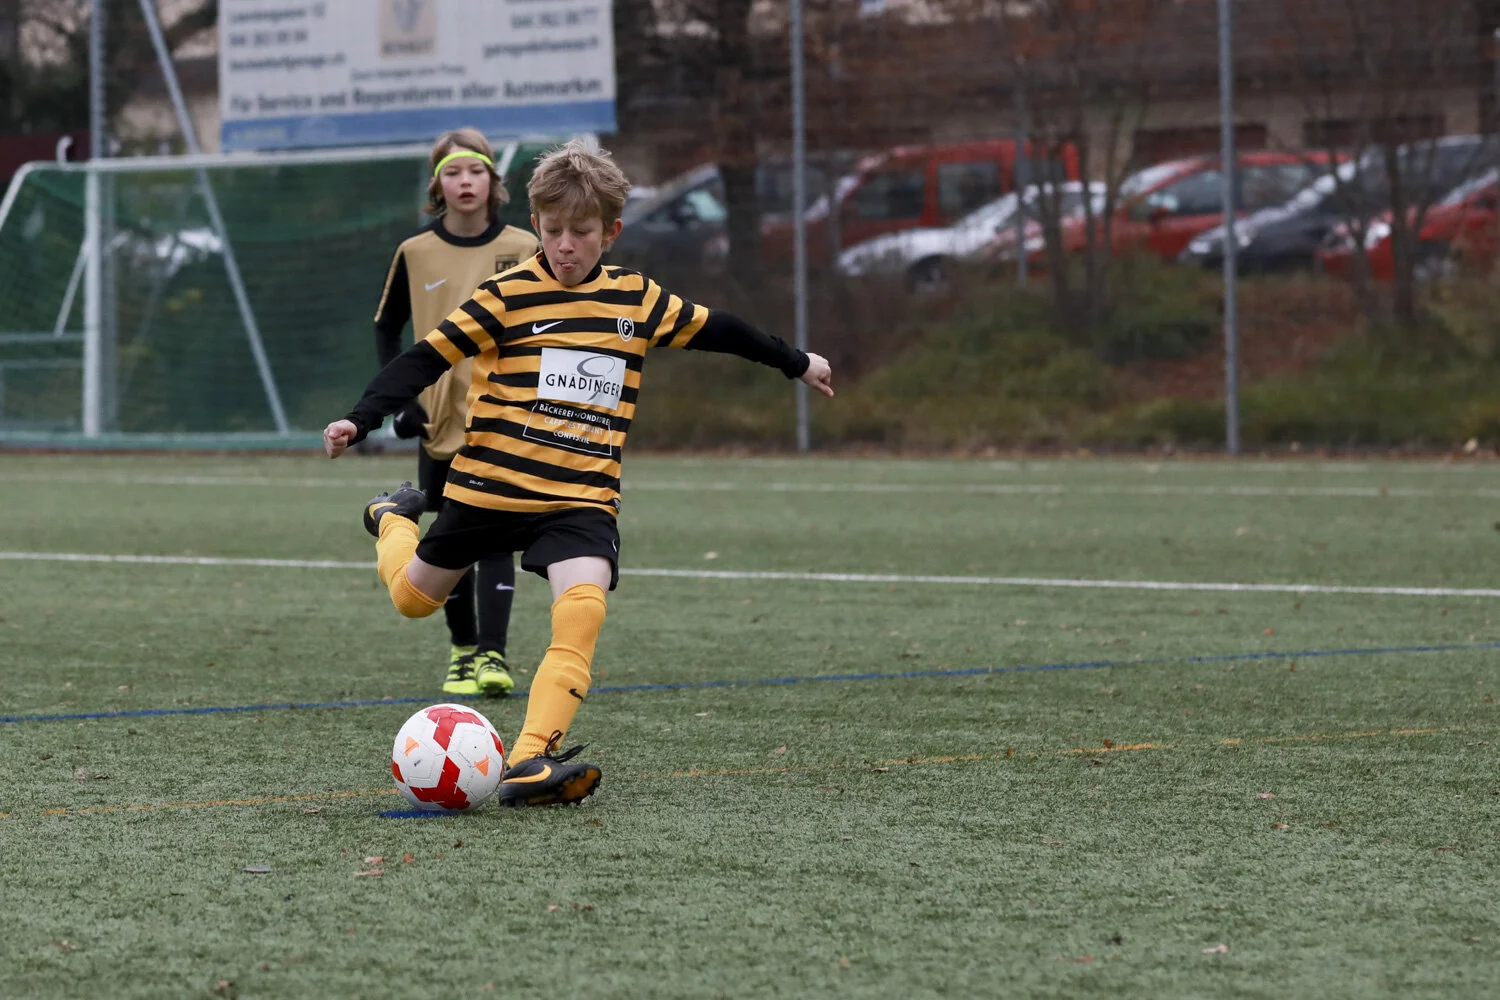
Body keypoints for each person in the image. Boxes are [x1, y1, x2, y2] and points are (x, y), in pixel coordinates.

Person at [323, 139, 834, 807]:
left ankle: (531, 759)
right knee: (414, 599)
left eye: (582, 232)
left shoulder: (636, 301)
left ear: (611, 232)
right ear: (537, 225)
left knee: (584, 607)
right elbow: (424, 358)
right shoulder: (505, 296)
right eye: (555, 230)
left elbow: (721, 329)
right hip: (488, 488)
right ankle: (391, 518)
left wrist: (795, 361)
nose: (566, 245)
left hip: (579, 497)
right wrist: (361, 419)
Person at [372, 127, 540, 698]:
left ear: (494, 182)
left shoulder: (524, 246)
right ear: (436, 185)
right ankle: (462, 651)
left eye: (475, 171)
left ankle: (493, 656)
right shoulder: (415, 252)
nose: (465, 182)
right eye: (452, 172)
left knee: (495, 536)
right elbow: (385, 328)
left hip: (503, 417)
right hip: (438, 422)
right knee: (447, 537)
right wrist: (402, 405)